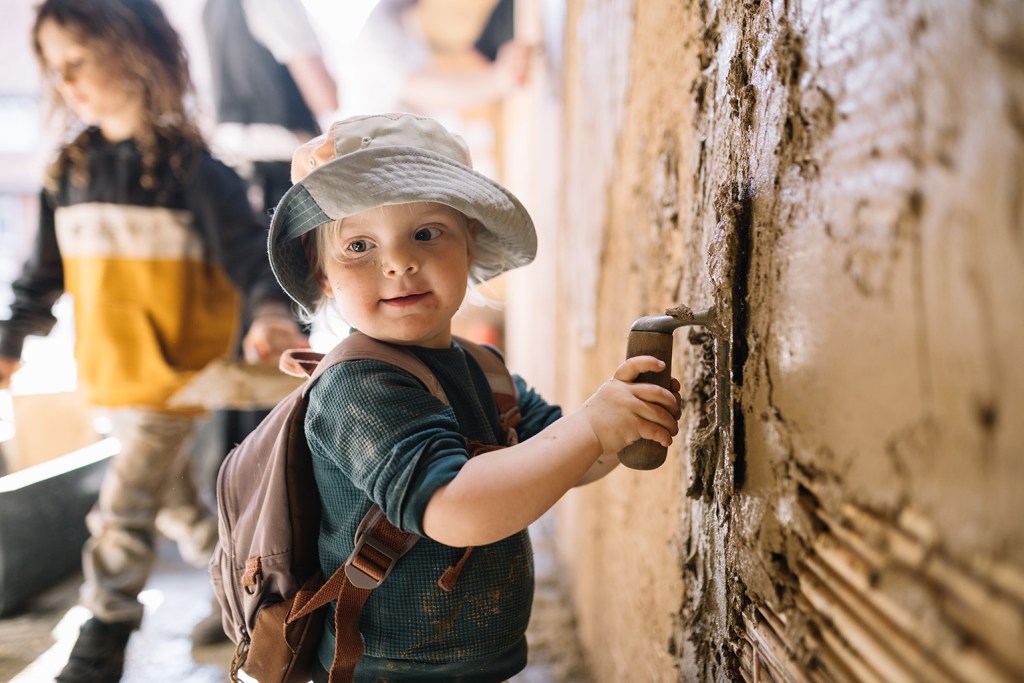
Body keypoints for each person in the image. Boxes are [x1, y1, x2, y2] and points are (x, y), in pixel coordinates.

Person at [266, 112, 682, 682]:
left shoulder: (480, 367)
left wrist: (619, 422)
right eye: (359, 245)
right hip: (392, 667)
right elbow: (455, 510)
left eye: (427, 233)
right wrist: (591, 428)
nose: (397, 261)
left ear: (471, 243)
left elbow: (564, 458)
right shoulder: (357, 387)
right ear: (323, 277)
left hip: (474, 658)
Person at [0, 1, 306, 681]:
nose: (66, 80)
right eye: (55, 69)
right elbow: (38, 278)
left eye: (77, 60)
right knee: (172, 503)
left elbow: (254, 262)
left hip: (179, 374)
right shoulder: (68, 171)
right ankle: (253, 590)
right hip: (111, 374)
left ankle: (104, 629)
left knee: (125, 507)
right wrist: (11, 341)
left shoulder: (196, 170)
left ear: (132, 47)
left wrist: (269, 316)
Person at [201, 0, 341, 467]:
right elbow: (323, 90)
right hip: (275, 173)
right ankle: (275, 485)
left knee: (248, 337)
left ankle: (242, 490)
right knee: (280, 333)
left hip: (231, 174)